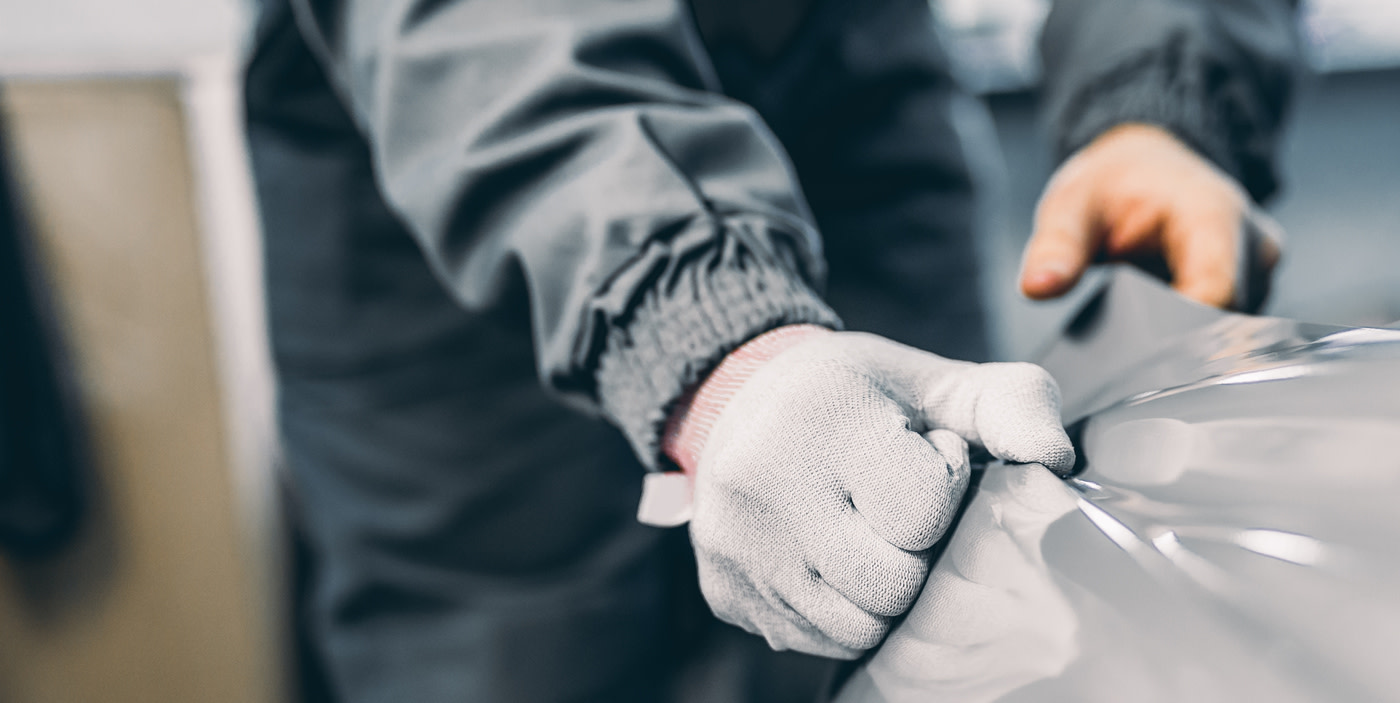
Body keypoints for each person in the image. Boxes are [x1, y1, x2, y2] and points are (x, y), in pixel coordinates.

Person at [243, 0, 1299, 699]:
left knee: (931, 592)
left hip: (843, 77)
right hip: (470, 126)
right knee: (514, 656)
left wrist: (1159, 94)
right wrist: (702, 320)